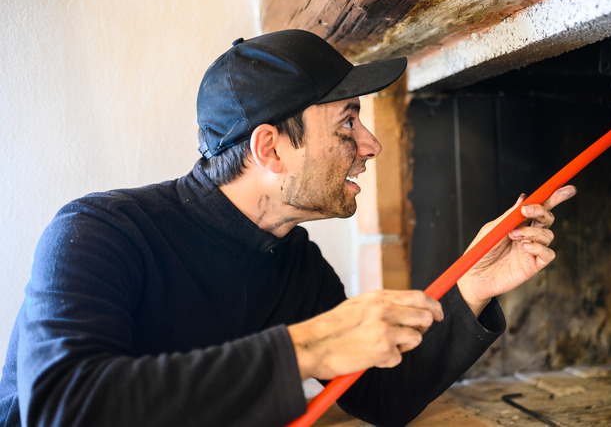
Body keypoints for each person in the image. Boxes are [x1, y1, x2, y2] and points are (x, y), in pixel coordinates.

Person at [0, 29, 576, 427]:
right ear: (271, 148)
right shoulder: (98, 233)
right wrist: (310, 345)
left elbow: (378, 394)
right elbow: (64, 408)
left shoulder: (294, 260)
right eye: (348, 122)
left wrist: (472, 284)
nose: (369, 145)